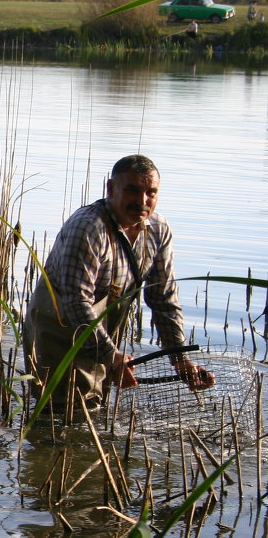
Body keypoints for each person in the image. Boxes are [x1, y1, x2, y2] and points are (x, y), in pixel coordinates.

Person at [23, 154, 214, 413]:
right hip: (60, 324)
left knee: (93, 404)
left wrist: (180, 360)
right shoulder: (88, 228)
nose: (142, 200)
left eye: (151, 192)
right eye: (132, 190)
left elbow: (164, 300)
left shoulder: (159, 230)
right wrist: (112, 356)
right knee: (61, 411)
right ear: (111, 189)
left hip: (101, 326)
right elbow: (76, 300)